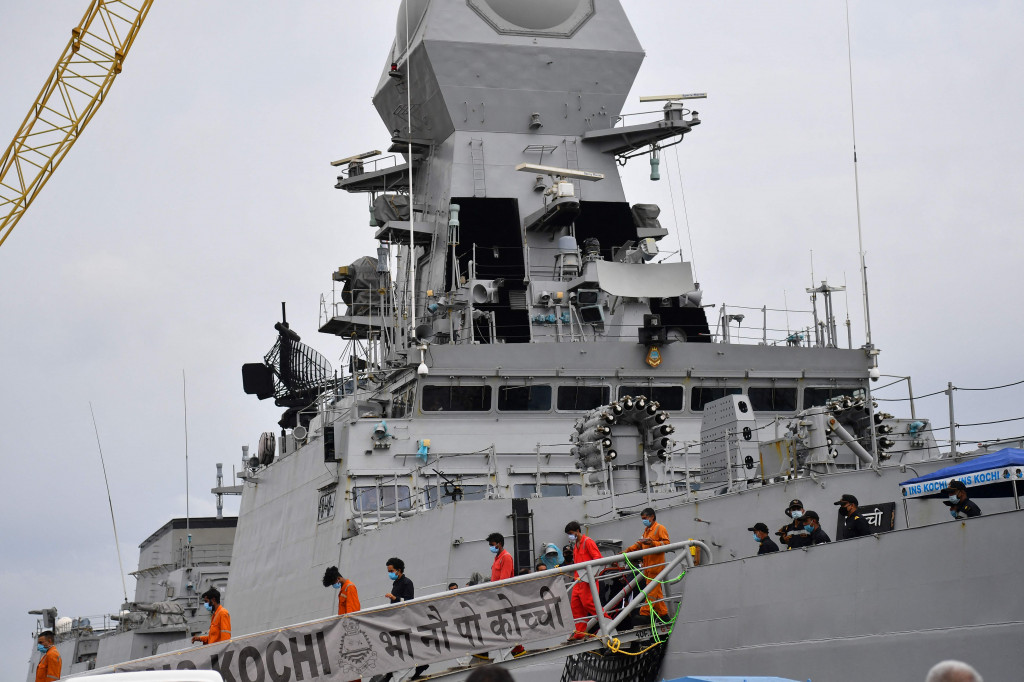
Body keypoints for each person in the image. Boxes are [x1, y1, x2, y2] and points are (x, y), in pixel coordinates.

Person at [383, 558, 428, 680]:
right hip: (397, 619)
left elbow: (409, 601)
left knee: (403, 645)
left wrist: (395, 598)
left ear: (398, 570)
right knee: (401, 646)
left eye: (391, 571)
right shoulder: (396, 583)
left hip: (405, 619)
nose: (390, 574)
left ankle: (390, 674)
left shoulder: (407, 582)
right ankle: (420, 665)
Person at [624, 508, 670, 618]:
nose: (643, 520)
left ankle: (645, 613)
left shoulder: (660, 528)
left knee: (650, 591)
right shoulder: (646, 530)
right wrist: (627, 551)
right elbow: (639, 544)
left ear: (652, 517)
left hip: (656, 565)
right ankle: (664, 614)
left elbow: (667, 543)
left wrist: (652, 543)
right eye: (642, 519)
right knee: (656, 592)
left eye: (645, 518)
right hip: (648, 566)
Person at [565, 520, 602, 639]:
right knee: (575, 606)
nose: (570, 536)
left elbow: (598, 558)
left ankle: (608, 623)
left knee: (590, 604)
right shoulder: (576, 545)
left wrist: (592, 576)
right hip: (578, 580)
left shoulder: (588, 542)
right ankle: (579, 632)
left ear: (577, 531)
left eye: (571, 533)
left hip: (587, 580)